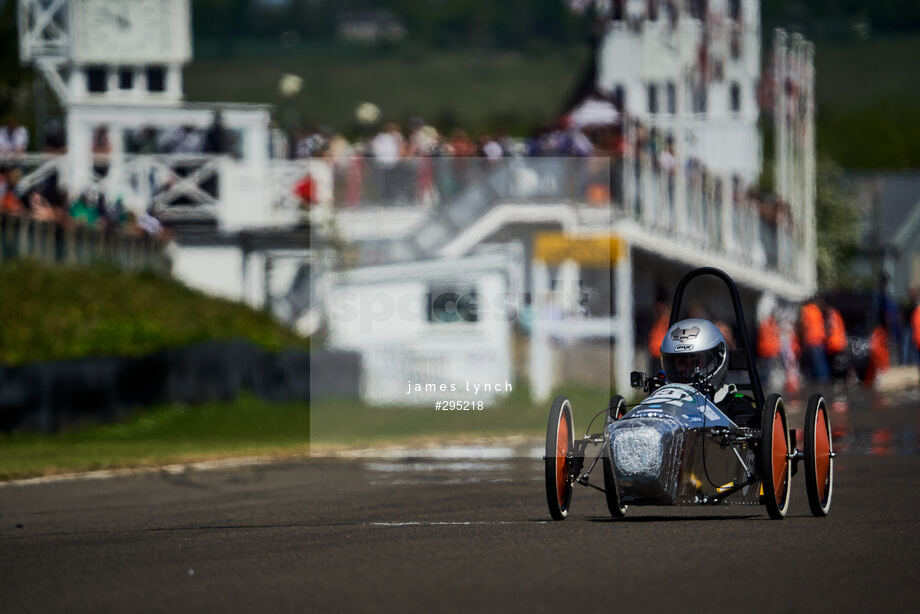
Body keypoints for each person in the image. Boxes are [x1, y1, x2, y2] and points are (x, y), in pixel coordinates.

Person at [659, 318, 757, 427]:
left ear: (715, 361)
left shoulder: (736, 406)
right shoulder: (659, 401)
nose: (687, 369)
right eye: (681, 362)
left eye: (696, 362)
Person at [799, 298, 829, 382]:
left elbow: (804, 325)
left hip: (812, 339)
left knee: (816, 362)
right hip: (819, 338)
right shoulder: (816, 309)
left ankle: (819, 380)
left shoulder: (806, 310)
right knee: (822, 360)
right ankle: (824, 379)